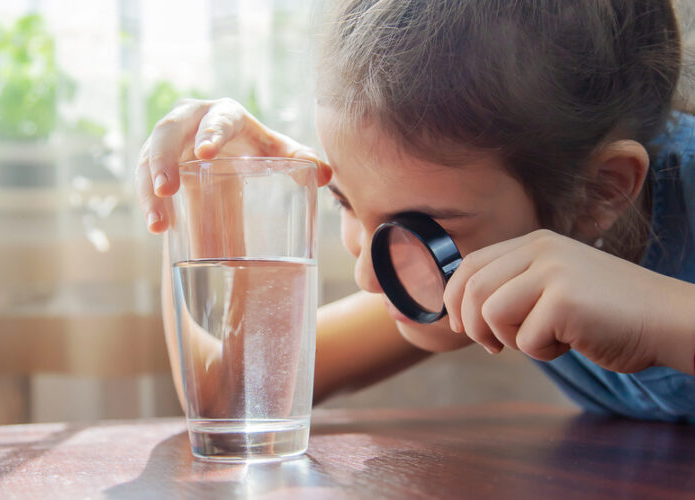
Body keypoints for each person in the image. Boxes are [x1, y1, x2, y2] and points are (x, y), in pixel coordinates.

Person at [135, 0, 695, 423]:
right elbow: (232, 389)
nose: (367, 278)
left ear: (599, 193)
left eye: (422, 228)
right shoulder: (448, 257)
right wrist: (198, 192)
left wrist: (659, 317)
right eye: (344, 202)